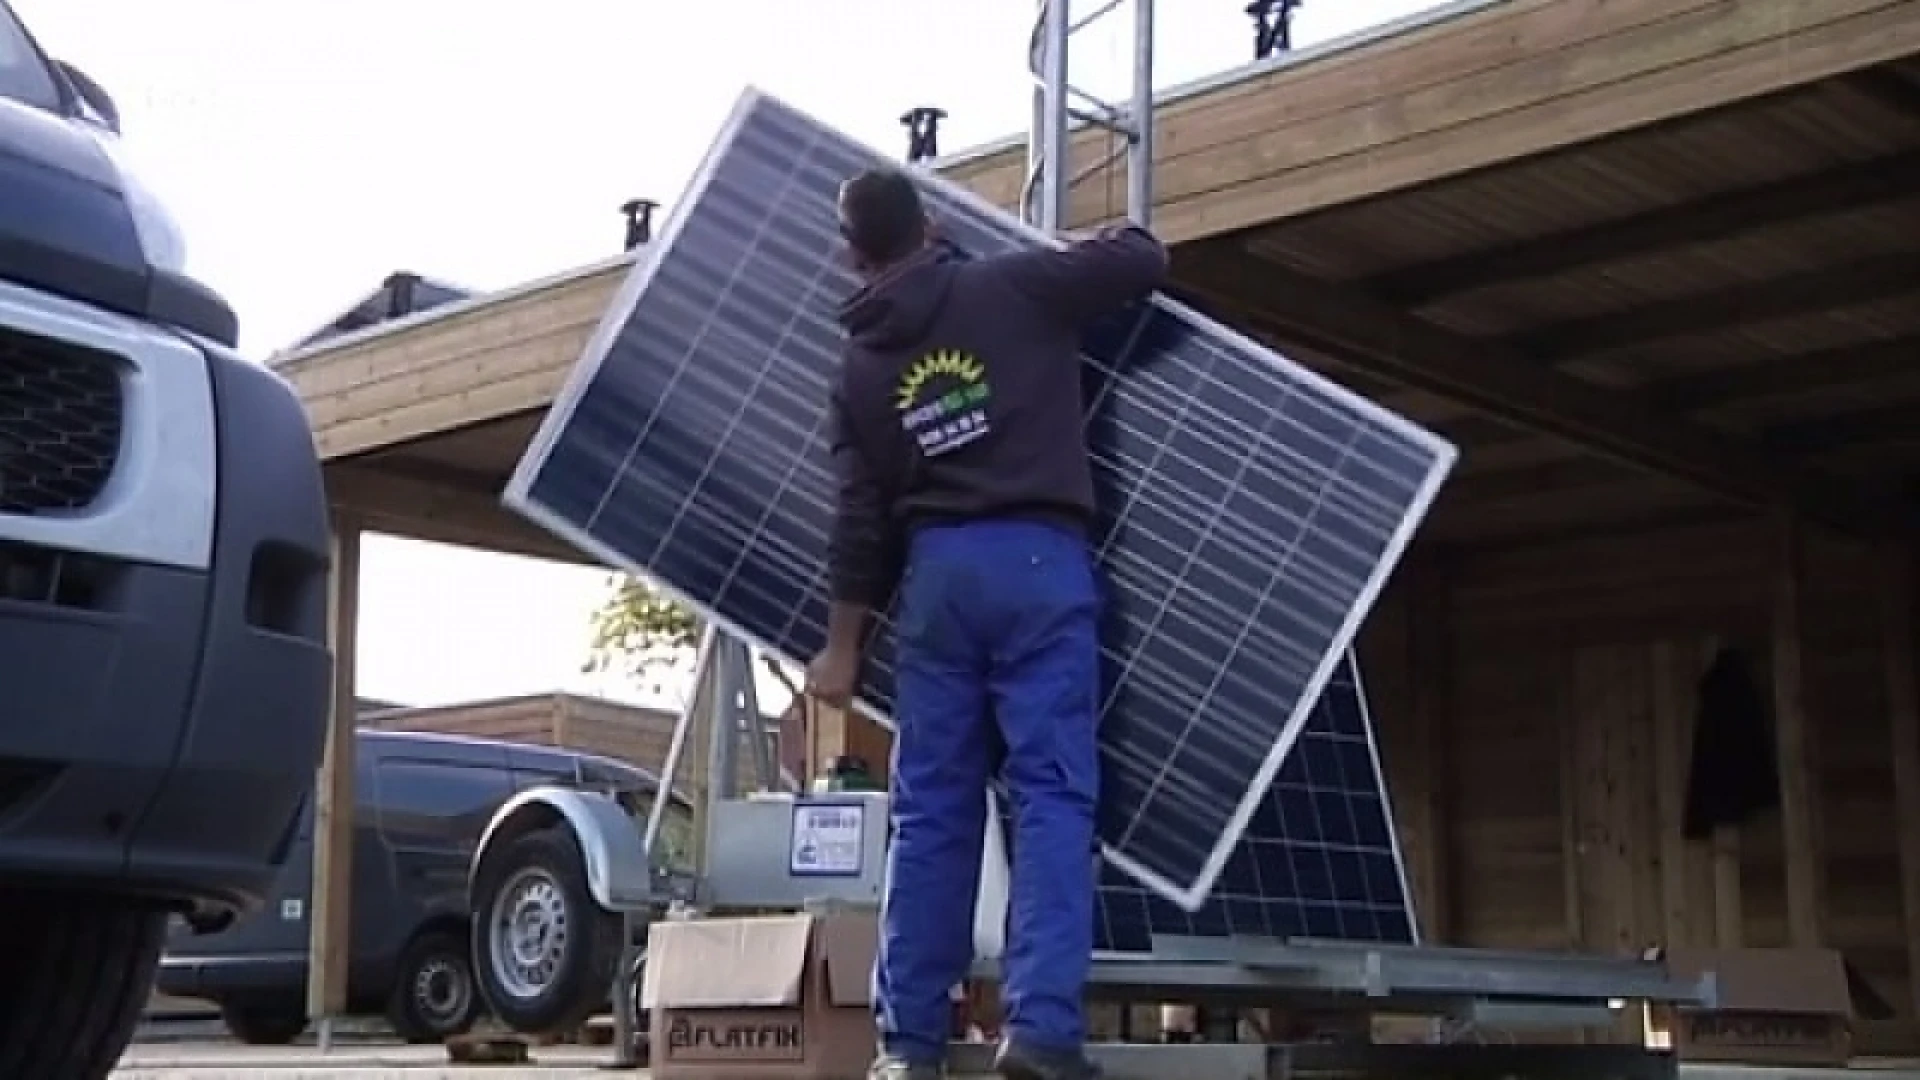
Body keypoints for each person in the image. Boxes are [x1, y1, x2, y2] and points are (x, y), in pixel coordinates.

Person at [805, 167, 1168, 1080]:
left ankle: (906, 1044)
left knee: (932, 811)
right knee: (1049, 796)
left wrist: (842, 645)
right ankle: (1041, 1033)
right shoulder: (1009, 285)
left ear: (852, 254)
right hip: (1039, 561)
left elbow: (858, 521)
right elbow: (1141, 260)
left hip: (936, 579)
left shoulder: (860, 368)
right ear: (929, 225)